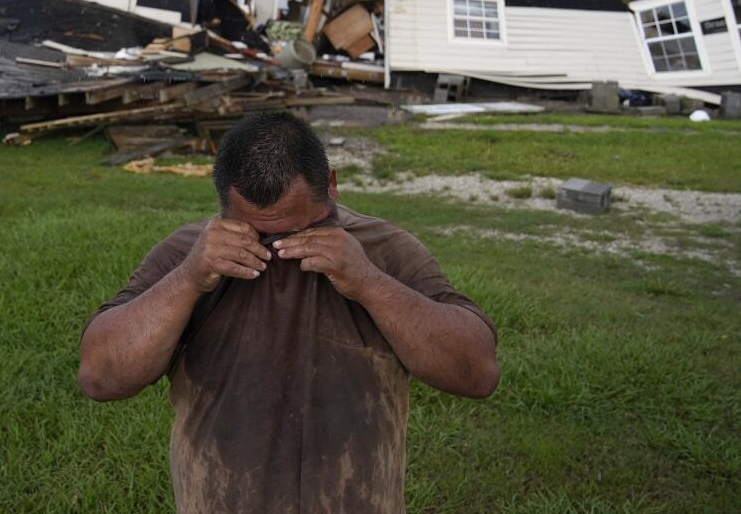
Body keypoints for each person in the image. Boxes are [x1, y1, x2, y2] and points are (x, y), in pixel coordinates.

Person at [79, 112, 499, 513]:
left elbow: (477, 373)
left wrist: (369, 281)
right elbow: (101, 376)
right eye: (258, 233)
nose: (280, 248)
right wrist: (190, 278)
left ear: (331, 185)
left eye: (299, 230)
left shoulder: (384, 248)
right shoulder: (191, 253)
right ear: (224, 203)